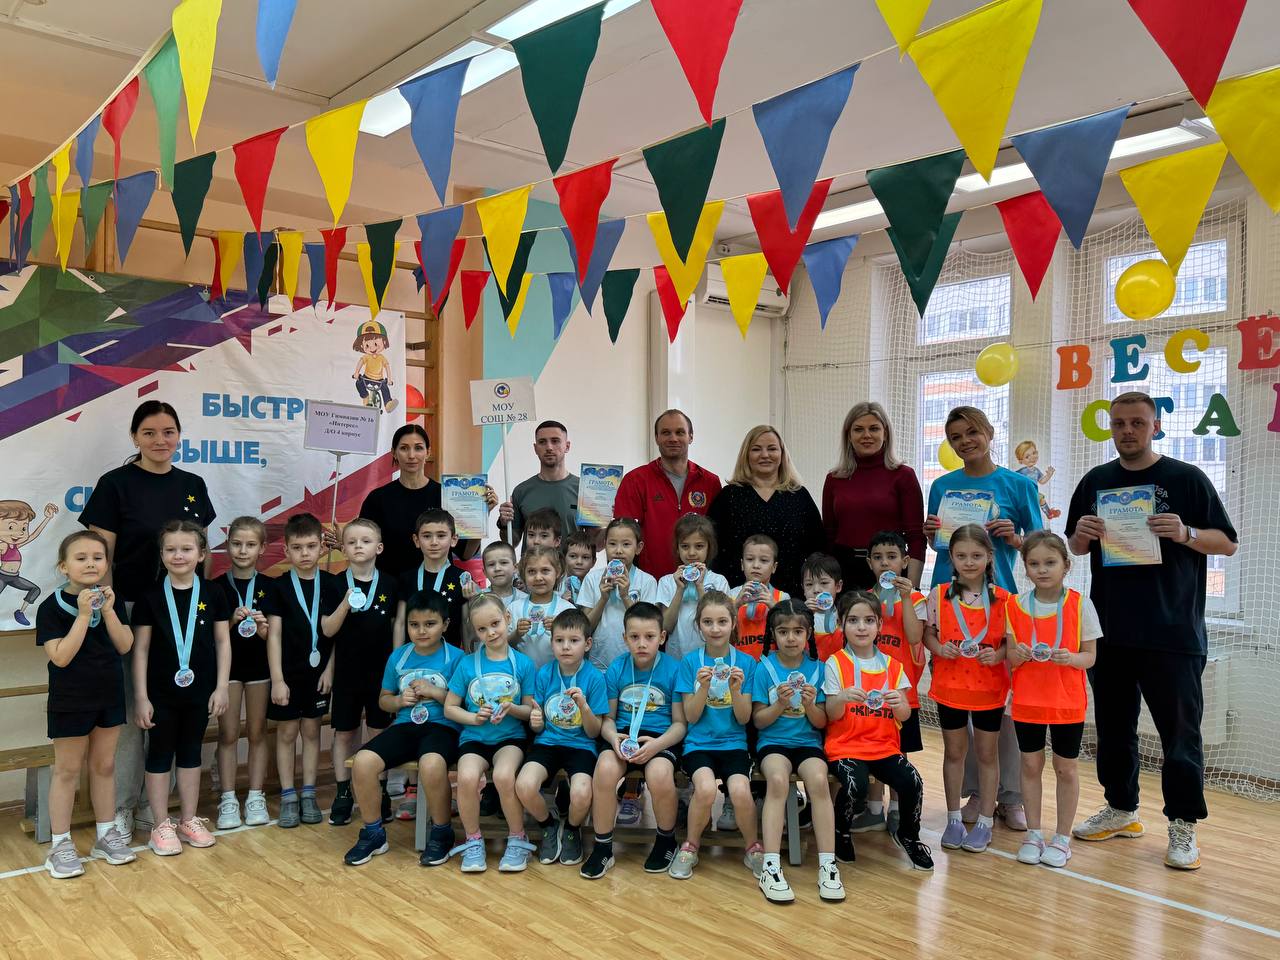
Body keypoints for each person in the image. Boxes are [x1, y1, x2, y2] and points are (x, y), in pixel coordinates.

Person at [1066, 391, 1237, 870]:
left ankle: (1183, 825)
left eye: (1137, 422)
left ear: (1155, 426)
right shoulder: (1096, 480)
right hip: (1111, 630)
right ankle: (1121, 809)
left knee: (1179, 735)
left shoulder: (1187, 478)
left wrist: (1185, 534)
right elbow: (1075, 547)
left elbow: (1227, 543)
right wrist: (1081, 535)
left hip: (1173, 632)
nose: (1127, 431)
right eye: (1119, 423)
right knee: (1113, 729)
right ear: (1111, 427)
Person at [81, 400, 215, 841]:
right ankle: (123, 806)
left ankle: (158, 811)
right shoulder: (115, 485)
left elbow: (204, 551)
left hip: (184, 616)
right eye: (150, 432)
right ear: (135, 437)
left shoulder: (193, 485)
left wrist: (206, 605)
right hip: (131, 613)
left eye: (169, 432)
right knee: (132, 710)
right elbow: (100, 556)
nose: (161, 440)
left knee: (174, 709)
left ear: (179, 436)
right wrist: (109, 613)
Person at [925, 405, 1041, 831]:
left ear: (989, 432)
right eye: (956, 437)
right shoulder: (941, 486)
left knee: (1000, 711)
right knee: (959, 704)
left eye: (972, 432)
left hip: (997, 604)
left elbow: (1040, 544)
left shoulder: (1018, 484)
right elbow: (941, 543)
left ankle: (1010, 796)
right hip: (951, 606)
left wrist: (1017, 537)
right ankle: (976, 793)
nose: (965, 442)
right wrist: (931, 534)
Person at [35, 531, 135, 878]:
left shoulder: (111, 600)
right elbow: (60, 657)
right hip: (71, 700)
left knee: (104, 765)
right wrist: (81, 615)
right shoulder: (50, 607)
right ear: (64, 566)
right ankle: (60, 844)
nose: (91, 563)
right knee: (67, 770)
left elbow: (125, 645)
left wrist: (107, 611)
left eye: (97, 557)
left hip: (109, 695)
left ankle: (106, 835)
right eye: (81, 558)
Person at [131, 521, 230, 855]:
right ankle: (160, 824)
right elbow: (141, 649)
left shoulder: (214, 594)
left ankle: (188, 819)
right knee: (160, 753)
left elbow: (222, 642)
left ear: (201, 554)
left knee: (191, 753)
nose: (178, 555)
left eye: (186, 549)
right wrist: (141, 697)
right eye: (170, 549)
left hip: (200, 692)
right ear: (161, 554)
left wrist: (221, 687)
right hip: (160, 694)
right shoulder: (150, 597)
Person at [343, 591, 462, 867]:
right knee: (363, 761)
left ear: (445, 624)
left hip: (443, 727)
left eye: (430, 624)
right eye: (414, 625)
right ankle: (373, 834)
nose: (421, 631)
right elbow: (383, 700)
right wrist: (399, 701)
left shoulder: (456, 658)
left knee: (431, 764)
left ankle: (442, 833)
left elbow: (464, 702)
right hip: (406, 726)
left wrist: (435, 692)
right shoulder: (398, 657)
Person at [1008, 531, 1100, 868]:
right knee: (1031, 765)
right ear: (1025, 568)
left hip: (1066, 702)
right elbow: (1010, 657)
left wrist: (1071, 658)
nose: (1042, 569)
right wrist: (1017, 655)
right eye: (1034, 563)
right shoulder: (1014, 606)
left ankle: (1061, 838)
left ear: (1066, 565)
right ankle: (1034, 833)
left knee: (1066, 768)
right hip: (1027, 701)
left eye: (1050, 562)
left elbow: (1090, 657)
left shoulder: (1080, 604)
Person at [823, 590, 933, 871]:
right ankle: (841, 832)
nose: (861, 627)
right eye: (853, 620)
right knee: (855, 785)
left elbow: (905, 715)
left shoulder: (893, 666)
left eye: (869, 620)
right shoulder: (835, 662)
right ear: (841, 624)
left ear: (880, 625)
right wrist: (841, 698)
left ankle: (909, 835)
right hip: (846, 747)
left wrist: (899, 704)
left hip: (884, 747)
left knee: (913, 781)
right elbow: (831, 714)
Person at [580, 602, 686, 880]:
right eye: (634, 637)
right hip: (624, 734)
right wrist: (613, 738)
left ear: (662, 637)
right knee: (604, 769)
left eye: (649, 637)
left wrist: (657, 745)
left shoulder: (674, 669)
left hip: (660, 737)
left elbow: (680, 724)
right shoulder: (616, 668)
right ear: (624, 638)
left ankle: (666, 841)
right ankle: (603, 847)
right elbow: (608, 719)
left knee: (660, 775)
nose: (641, 643)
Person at [923, 524, 1010, 855]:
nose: (969, 562)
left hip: (989, 688)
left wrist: (997, 655)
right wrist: (938, 648)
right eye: (961, 556)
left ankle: (985, 821)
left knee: (987, 754)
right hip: (951, 686)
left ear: (989, 557)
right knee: (954, 753)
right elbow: (928, 634)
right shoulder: (939, 595)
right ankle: (953, 819)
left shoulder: (1004, 600)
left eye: (976, 555)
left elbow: (1009, 643)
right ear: (952, 557)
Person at [752, 599, 841, 904]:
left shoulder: (819, 669)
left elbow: (821, 722)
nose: (790, 638)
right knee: (777, 781)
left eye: (798, 631)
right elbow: (758, 720)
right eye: (783, 631)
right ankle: (770, 866)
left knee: (818, 781)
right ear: (773, 634)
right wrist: (779, 704)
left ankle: (828, 865)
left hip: (808, 743)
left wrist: (810, 705)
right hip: (772, 743)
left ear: (808, 634)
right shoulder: (763, 668)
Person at [444, 594, 538, 873]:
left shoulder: (524, 664)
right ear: (475, 631)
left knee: (503, 776)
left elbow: (529, 711)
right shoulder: (467, 664)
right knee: (466, 778)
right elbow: (450, 708)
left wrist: (511, 708)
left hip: (510, 739)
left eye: (495, 624)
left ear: (507, 618)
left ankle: (517, 838)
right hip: (474, 738)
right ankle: (473, 840)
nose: (491, 632)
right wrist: (473, 717)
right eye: (482, 629)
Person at [671, 591, 760, 880]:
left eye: (722, 621)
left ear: (733, 623)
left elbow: (744, 718)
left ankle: (753, 848)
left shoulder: (746, 663)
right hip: (699, 744)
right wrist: (703, 688)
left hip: (734, 744)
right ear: (698, 625)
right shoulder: (689, 663)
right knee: (706, 789)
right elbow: (691, 716)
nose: (715, 628)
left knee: (740, 790)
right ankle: (690, 846)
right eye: (707, 622)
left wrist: (735, 690)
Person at [322, 519, 399, 827]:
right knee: (345, 732)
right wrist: (345, 603)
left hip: (381, 673)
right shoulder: (334, 584)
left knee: (379, 732)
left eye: (365, 541)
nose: (358, 546)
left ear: (378, 548)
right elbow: (328, 630)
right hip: (347, 673)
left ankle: (380, 790)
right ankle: (343, 792)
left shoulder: (390, 584)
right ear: (343, 548)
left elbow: (395, 629)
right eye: (351, 542)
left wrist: (396, 670)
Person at [516, 608, 608, 867]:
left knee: (581, 793)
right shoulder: (544, 673)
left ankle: (572, 828)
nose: (566, 647)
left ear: (587, 644)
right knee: (524, 785)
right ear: (552, 642)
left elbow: (593, 732)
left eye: (573, 640)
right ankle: (548, 825)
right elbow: (537, 726)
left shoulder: (595, 678)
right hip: (547, 743)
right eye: (559, 640)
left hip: (581, 746)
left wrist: (584, 707)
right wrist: (536, 722)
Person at [264, 513, 337, 829]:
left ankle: (308, 792)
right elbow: (274, 635)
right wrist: (277, 680)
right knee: (286, 733)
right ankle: (288, 795)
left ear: (322, 547)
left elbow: (336, 635)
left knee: (311, 732)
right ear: (286, 550)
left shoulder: (332, 584)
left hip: (319, 675)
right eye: (297, 547)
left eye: (310, 546)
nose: (304, 553)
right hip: (288, 675)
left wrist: (330, 670)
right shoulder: (278, 587)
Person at [857, 531, 927, 835]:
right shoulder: (863, 599)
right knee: (872, 747)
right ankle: (874, 809)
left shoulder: (917, 598)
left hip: (901, 692)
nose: (885, 563)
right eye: (878, 557)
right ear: (869, 563)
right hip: (869, 690)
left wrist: (905, 598)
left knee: (899, 752)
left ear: (905, 561)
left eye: (892, 557)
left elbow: (914, 636)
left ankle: (897, 809)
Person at [358, 425, 493, 578]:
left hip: (438, 587)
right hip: (390, 586)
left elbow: (465, 553)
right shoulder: (377, 499)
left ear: (428, 452)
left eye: (418, 448)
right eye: (404, 448)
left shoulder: (446, 495)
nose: (411, 455)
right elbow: (363, 545)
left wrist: (480, 516)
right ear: (394, 452)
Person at [708, 425, 824, 597]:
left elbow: (818, 548)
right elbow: (712, 548)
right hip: (737, 596)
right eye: (756, 449)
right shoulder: (729, 496)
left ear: (782, 454)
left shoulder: (799, 496)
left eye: (772, 449)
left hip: (790, 597)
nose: (765, 455)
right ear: (746, 455)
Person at [822, 402, 925, 589]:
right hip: (844, 572)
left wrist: (912, 589)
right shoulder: (834, 479)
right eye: (858, 429)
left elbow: (916, 536)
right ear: (848, 435)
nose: (866, 435)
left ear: (885, 433)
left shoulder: (904, 475)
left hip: (889, 571)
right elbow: (828, 535)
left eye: (874, 428)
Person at [214, 517, 274, 830]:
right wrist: (230, 621)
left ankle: (255, 795)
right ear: (227, 546)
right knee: (227, 734)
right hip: (228, 670)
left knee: (257, 732)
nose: (242, 550)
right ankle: (227, 798)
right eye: (237, 544)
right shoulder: (215, 587)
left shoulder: (270, 586)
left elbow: (275, 638)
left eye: (250, 544)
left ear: (262, 548)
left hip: (259, 668)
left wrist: (264, 631)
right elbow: (210, 637)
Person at [613, 410, 721, 579]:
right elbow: (622, 536)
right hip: (649, 583)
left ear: (691, 437)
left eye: (680, 432)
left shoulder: (710, 482)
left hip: (699, 583)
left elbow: (717, 538)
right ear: (656, 438)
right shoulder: (635, 480)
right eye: (666, 433)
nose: (673, 438)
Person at [577, 517, 658, 671]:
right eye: (612, 544)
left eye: (626, 544)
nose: (618, 550)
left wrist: (626, 596)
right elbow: (585, 627)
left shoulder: (647, 581)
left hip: (635, 660)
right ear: (605, 545)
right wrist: (603, 599)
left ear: (638, 548)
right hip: (598, 661)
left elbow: (648, 626)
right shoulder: (592, 578)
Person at [655, 514, 730, 660]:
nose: (691, 553)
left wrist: (700, 587)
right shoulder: (667, 581)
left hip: (710, 658)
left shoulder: (718, 581)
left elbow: (717, 620)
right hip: (676, 658)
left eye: (699, 546)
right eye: (685, 546)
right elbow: (666, 627)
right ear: (677, 549)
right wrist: (679, 590)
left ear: (709, 548)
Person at [499, 421, 584, 544]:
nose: (549, 447)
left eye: (555, 441)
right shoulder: (521, 491)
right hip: (531, 558)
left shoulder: (582, 490)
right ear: (535, 448)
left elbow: (597, 544)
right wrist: (504, 524)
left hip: (570, 558)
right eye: (542, 442)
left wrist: (608, 521)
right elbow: (512, 542)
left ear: (567, 446)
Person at [394, 509, 467, 650]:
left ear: (453, 539)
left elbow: (466, 624)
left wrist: (470, 657)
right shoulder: (407, 579)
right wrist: (396, 657)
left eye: (441, 536)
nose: (434, 542)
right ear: (416, 540)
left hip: (450, 660)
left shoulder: (462, 578)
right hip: (413, 658)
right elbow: (400, 622)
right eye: (427, 536)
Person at [511, 545, 576, 667]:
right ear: (523, 574)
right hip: (523, 675)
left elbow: (576, 646)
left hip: (556, 675)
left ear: (557, 572)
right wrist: (517, 634)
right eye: (531, 571)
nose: (538, 577)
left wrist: (560, 631)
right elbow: (505, 645)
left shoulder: (568, 610)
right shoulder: (514, 608)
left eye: (545, 570)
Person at [728, 534, 789, 659]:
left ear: (774, 567)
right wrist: (736, 604)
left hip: (772, 664)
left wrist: (775, 608)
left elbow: (791, 633)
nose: (756, 565)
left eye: (764, 560)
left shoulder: (782, 598)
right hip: (738, 664)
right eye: (750, 559)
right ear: (742, 564)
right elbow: (720, 630)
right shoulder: (731, 595)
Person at [1, 498, 58, 627]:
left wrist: (47, 518)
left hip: (14, 577)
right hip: (2, 576)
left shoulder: (14, 546)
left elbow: (34, 535)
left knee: (35, 589)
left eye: (23, 528)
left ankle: (20, 612)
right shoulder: (3, 545)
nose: (19, 533)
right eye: (10, 527)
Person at [799, 553, 844, 662]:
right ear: (803, 588)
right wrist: (803, 617)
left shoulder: (846, 616)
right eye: (809, 584)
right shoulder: (796, 615)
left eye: (823, 583)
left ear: (838, 586)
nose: (816, 590)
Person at [561, 531, 597, 605]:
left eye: (585, 557)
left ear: (593, 562)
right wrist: (560, 602)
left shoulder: (596, 587)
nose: (579, 562)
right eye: (573, 556)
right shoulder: (554, 584)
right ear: (564, 558)